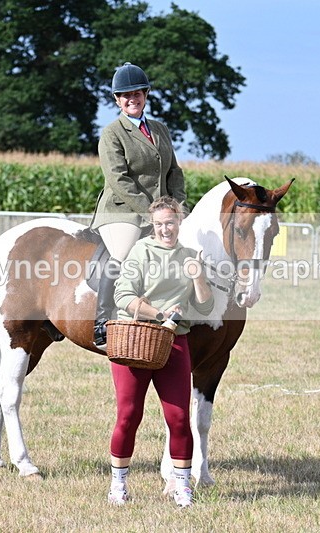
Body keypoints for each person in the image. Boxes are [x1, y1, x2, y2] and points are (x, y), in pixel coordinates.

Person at [106, 196, 213, 508]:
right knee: (129, 416)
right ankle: (118, 485)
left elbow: (204, 306)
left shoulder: (191, 255)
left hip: (174, 342)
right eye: (159, 224)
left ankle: (182, 487)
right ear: (152, 226)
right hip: (137, 339)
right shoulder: (142, 251)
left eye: (170, 222)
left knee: (179, 418)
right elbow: (123, 294)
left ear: (179, 221)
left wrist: (197, 275)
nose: (165, 229)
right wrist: (160, 313)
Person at [90, 62, 187, 350]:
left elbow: (174, 172)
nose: (133, 99)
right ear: (117, 100)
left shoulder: (159, 129)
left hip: (162, 211)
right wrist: (151, 212)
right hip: (122, 210)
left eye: (137, 93)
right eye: (126, 95)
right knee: (122, 255)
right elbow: (118, 178)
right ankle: (101, 321)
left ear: (146, 95)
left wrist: (178, 206)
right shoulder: (112, 133)